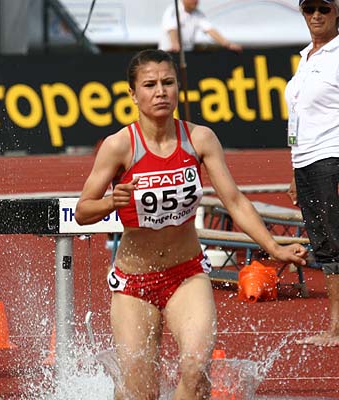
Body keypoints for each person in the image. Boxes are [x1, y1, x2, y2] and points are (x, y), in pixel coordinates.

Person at [74, 49, 307, 399]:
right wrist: (111, 202)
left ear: (178, 88)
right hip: (134, 281)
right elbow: (83, 211)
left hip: (186, 275)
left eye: (167, 82)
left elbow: (235, 201)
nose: (160, 91)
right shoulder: (119, 146)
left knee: (197, 371)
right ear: (133, 94)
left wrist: (274, 247)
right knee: (141, 392)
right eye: (150, 85)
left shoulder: (199, 138)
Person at [286, 0, 339, 347]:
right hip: (306, 160)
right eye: (309, 9)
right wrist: (293, 166)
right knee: (324, 245)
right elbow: (297, 117)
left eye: (324, 8)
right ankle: (335, 325)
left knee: (334, 242)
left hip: (331, 156)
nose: (316, 15)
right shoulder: (306, 56)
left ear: (337, 11)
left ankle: (336, 328)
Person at [158, 0, 242, 53]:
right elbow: (171, 28)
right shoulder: (173, 10)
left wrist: (228, 44)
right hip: (168, 54)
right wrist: (175, 44)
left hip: (186, 54)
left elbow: (210, 30)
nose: (196, 1)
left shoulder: (198, 14)